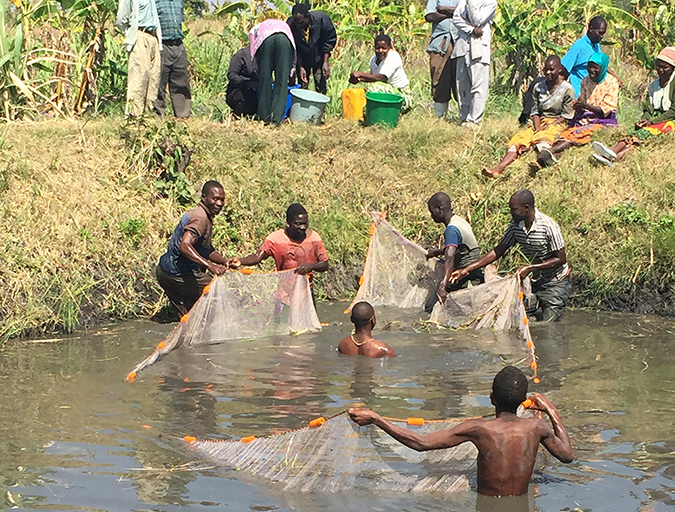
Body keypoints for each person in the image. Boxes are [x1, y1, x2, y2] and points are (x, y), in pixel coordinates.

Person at [348, 366, 574, 496]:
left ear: (491, 396)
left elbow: (421, 443)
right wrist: (551, 409)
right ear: (523, 401)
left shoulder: (479, 429)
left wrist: (377, 419)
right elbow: (567, 455)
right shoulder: (537, 427)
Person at [451, 190, 571, 321]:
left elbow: (561, 258)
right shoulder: (516, 227)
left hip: (556, 281)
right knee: (520, 318)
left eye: (513, 210)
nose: (511, 213)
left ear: (526, 208)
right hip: (537, 281)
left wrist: (530, 268)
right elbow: (498, 251)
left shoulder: (548, 226)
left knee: (549, 325)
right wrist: (467, 269)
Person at [483, 55, 574, 178]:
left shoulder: (567, 89)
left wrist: (549, 125)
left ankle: (540, 162)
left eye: (552, 70)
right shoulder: (539, 87)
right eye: (545, 69)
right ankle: (499, 168)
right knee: (519, 140)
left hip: (557, 122)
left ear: (559, 69)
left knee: (543, 138)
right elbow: (535, 111)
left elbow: (566, 116)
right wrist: (537, 127)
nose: (548, 73)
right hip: (540, 122)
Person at [156, 181, 234, 315]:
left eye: (222, 200)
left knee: (188, 315)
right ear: (204, 198)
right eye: (215, 199)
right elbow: (185, 245)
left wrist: (224, 261)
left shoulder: (201, 214)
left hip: (164, 270)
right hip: (177, 273)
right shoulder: (200, 218)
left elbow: (206, 249)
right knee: (218, 292)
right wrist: (210, 266)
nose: (220, 203)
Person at [592, 47, 675, 166]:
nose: (660, 70)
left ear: (673, 68)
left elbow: (673, 111)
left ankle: (618, 156)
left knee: (645, 133)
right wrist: (645, 119)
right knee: (633, 129)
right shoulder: (654, 85)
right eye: (658, 66)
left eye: (665, 67)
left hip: (669, 119)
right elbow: (648, 108)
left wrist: (652, 122)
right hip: (653, 118)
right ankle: (612, 151)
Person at [540, 52, 619, 167]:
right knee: (564, 134)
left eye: (595, 68)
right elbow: (583, 102)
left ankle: (551, 152)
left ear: (603, 68)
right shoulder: (585, 81)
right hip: (585, 117)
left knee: (578, 133)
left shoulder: (611, 82)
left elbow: (605, 111)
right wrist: (578, 106)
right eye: (589, 66)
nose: (591, 70)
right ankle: (551, 159)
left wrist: (585, 106)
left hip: (604, 119)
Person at [231, 203, 329, 282]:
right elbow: (257, 257)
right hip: (284, 294)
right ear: (288, 223)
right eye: (298, 224)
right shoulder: (276, 239)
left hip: (306, 292)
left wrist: (311, 266)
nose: (303, 227)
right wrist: (240, 261)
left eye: (305, 223)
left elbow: (324, 264)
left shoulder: (314, 238)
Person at [426, 192, 483, 303]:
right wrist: (437, 252)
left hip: (468, 280)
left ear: (439, 209)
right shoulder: (459, 221)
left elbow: (450, 259)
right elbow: (460, 248)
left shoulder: (451, 229)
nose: (431, 215)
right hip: (474, 275)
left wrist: (442, 287)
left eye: (432, 211)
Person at [451, 0, 497, 125]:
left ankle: (474, 119)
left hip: (479, 46)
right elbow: (456, 18)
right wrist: (471, 29)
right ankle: (464, 117)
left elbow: (477, 20)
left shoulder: (490, 2)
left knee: (478, 86)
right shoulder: (462, 1)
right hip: (462, 46)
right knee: (462, 85)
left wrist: (472, 2)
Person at [115, 0, 162, 117]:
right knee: (138, 78)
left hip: (153, 37)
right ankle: (134, 116)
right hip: (140, 36)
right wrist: (130, 34)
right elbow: (121, 19)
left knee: (153, 78)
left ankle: (147, 114)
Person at [249, 19, 297, 125]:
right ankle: (276, 119)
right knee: (281, 82)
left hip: (266, 40)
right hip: (284, 41)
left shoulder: (256, 29)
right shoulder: (284, 26)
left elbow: (253, 50)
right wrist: (291, 72)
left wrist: (255, 67)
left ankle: (264, 117)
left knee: (265, 81)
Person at [349, 34, 412, 110]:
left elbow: (382, 77)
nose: (380, 51)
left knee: (375, 88)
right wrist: (359, 79)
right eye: (378, 48)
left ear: (389, 47)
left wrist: (361, 74)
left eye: (384, 48)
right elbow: (374, 78)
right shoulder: (373, 59)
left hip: (400, 95)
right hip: (388, 92)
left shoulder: (393, 57)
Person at [287, 3, 336, 95]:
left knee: (320, 83)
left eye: (300, 23)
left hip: (319, 56)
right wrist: (301, 67)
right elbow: (294, 48)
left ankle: (321, 108)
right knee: (303, 86)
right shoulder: (291, 25)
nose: (297, 26)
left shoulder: (322, 21)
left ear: (307, 18)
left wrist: (325, 63)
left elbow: (328, 42)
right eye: (296, 22)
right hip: (302, 58)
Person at [154, 0, 191, 118]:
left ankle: (183, 114)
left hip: (178, 44)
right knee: (159, 82)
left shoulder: (178, 2)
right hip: (162, 45)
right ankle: (158, 114)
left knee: (181, 81)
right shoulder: (155, 2)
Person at [425, 0, 459, 118]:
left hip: (460, 42)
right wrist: (452, 13)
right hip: (440, 43)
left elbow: (467, 12)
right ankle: (440, 117)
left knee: (460, 80)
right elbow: (429, 16)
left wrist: (443, 9)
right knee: (439, 79)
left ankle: (464, 117)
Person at [561, 16, 607, 96]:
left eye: (603, 33)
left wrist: (616, 79)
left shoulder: (596, 45)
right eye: (600, 33)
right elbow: (563, 69)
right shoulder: (578, 46)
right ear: (591, 29)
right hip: (579, 93)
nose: (602, 36)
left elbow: (601, 64)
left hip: (592, 93)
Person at [226, 45, 259, 117]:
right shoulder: (242, 54)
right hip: (238, 89)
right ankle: (237, 115)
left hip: (257, 90)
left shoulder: (265, 56)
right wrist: (245, 83)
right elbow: (231, 74)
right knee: (245, 98)